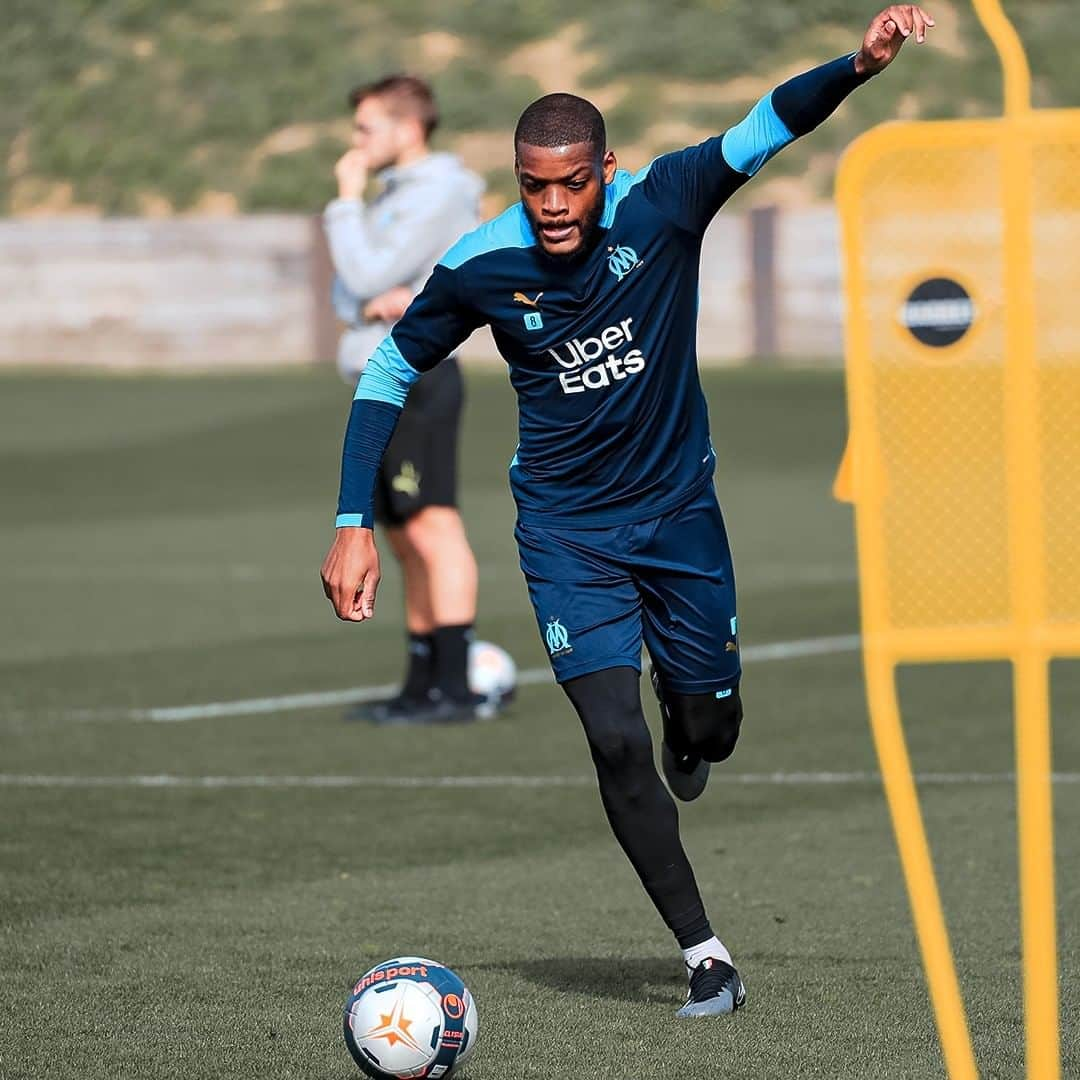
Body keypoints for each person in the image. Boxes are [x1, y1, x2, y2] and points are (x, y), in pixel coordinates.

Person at [322, 7, 934, 1015]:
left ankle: (695, 724)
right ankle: (706, 954)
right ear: (517, 180)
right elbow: (390, 366)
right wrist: (352, 518)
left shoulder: (666, 202)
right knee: (612, 739)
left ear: (609, 167)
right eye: (535, 184)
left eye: (572, 180)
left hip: (679, 514)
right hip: (567, 536)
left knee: (706, 725)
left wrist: (861, 66)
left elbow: (767, 124)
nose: (554, 204)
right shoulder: (484, 262)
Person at [324, 75, 487, 724]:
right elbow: (352, 292)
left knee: (432, 525)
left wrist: (343, 202)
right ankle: (421, 683)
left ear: (408, 128)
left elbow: (362, 275)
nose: (357, 143)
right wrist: (370, 288)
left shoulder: (439, 190)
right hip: (380, 376)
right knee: (400, 535)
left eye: (367, 128)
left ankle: (457, 686)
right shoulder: (396, 193)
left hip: (419, 376)